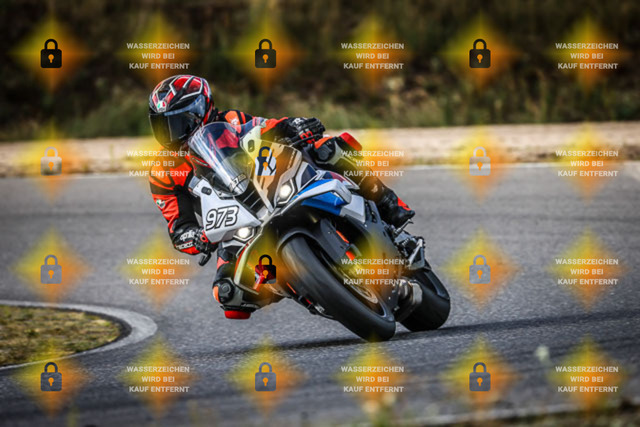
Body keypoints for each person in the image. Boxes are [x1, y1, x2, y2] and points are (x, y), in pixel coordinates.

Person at [148, 74, 414, 318]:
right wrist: (195, 237)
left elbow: (266, 128)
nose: (171, 134)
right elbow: (178, 226)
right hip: (235, 226)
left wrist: (295, 126)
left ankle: (389, 203)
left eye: (178, 122)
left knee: (327, 148)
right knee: (227, 292)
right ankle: (305, 289)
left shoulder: (230, 121)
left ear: (200, 111)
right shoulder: (163, 171)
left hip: (272, 185)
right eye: (163, 126)